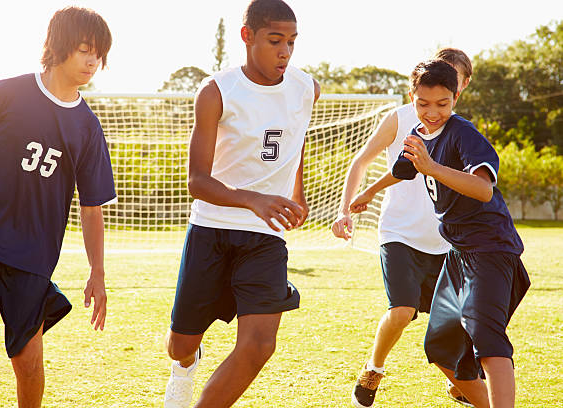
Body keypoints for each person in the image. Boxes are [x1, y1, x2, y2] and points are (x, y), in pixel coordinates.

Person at [0, 7, 115, 407]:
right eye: (83, 50)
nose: (93, 61)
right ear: (58, 47)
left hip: (32, 256)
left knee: (27, 360)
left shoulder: (88, 128)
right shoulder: (4, 92)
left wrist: (98, 272)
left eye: (100, 53)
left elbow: (92, 208)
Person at [163, 1, 320, 407]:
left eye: (291, 42)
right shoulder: (217, 91)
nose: (285, 51)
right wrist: (253, 199)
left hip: (265, 237)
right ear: (247, 36)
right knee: (180, 345)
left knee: (259, 346)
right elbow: (197, 180)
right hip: (212, 230)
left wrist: (295, 192)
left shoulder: (307, 88)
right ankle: (185, 363)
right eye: (274, 41)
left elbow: (296, 139)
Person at [351, 59, 530, 408]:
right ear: (411, 97)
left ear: (456, 99)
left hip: (490, 249)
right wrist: (369, 192)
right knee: (441, 347)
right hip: (459, 253)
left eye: (442, 104)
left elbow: (483, 190)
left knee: (487, 337)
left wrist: (432, 167)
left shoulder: (463, 133)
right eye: (423, 103)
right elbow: (403, 170)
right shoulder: (417, 135)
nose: (432, 112)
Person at [332, 48, 475, 408]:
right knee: (402, 309)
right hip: (399, 235)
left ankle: (463, 383)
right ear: (417, 92)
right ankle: (373, 371)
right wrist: (344, 209)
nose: (435, 106)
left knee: (456, 323)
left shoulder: (461, 131)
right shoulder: (399, 120)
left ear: (460, 88)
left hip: (445, 243)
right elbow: (361, 161)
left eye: (451, 86)